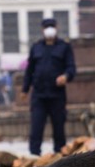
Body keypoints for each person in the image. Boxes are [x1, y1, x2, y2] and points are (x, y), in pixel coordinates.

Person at [21, 18, 76, 156]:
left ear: (56, 28)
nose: (49, 29)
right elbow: (30, 70)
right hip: (39, 94)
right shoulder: (36, 47)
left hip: (57, 94)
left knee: (58, 126)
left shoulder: (64, 47)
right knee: (36, 126)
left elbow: (71, 67)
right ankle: (34, 154)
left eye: (52, 26)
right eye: (47, 26)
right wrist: (25, 89)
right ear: (42, 29)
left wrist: (66, 76)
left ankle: (59, 153)